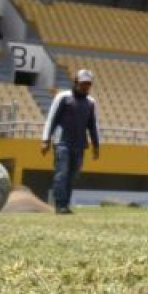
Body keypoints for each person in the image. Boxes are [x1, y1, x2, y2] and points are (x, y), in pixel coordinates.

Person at [41, 69, 101, 215]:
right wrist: (45, 140)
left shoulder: (91, 103)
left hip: (80, 144)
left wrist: (96, 145)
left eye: (88, 84)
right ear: (75, 82)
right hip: (62, 142)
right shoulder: (63, 97)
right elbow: (51, 119)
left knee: (73, 175)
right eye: (83, 84)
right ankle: (60, 205)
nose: (85, 87)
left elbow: (93, 125)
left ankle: (66, 204)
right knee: (61, 173)